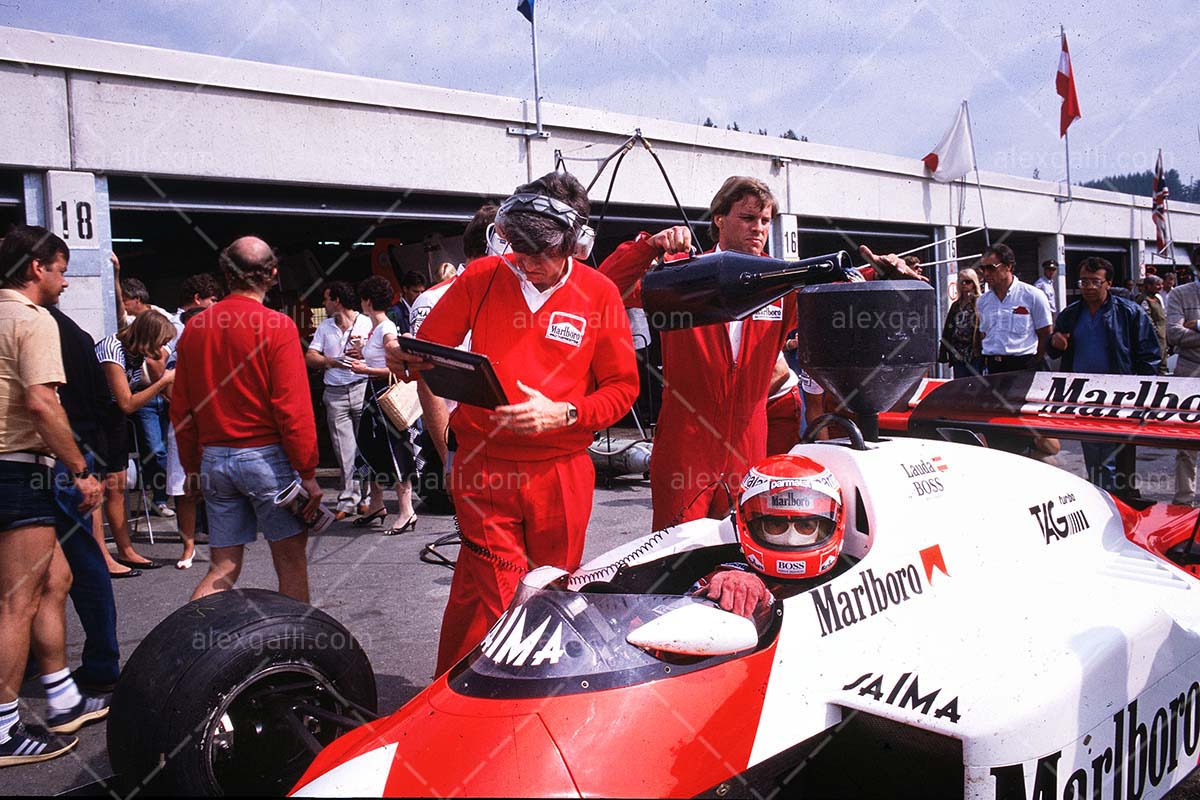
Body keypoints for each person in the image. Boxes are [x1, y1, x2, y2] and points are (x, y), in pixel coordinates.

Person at [397, 172, 640, 674]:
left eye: (540, 251)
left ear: (576, 242)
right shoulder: (482, 277)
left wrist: (567, 412)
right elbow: (429, 350)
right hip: (485, 468)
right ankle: (489, 701)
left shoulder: (599, 294)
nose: (526, 262)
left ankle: (469, 688)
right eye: (518, 247)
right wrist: (401, 354)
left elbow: (623, 389)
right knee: (506, 597)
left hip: (562, 472)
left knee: (552, 589)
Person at [598, 175, 922, 530]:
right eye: (748, 218)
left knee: (746, 548)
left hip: (749, 444)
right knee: (677, 546)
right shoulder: (681, 276)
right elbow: (605, 287)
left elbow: (833, 290)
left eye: (765, 221)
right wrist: (648, 246)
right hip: (686, 445)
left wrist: (878, 275)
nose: (759, 228)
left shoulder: (782, 281)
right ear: (719, 219)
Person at [0, 226, 105, 766]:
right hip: (17, 471)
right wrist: (80, 469)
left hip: (12, 471)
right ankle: (2, 728)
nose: (65, 282)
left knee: (56, 578)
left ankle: (63, 697)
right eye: (61, 270)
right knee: (16, 601)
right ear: (36, 267)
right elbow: (42, 404)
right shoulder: (33, 318)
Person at [171, 236, 322, 603]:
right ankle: (293, 639)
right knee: (291, 563)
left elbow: (183, 409)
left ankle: (192, 634)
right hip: (266, 460)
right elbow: (292, 408)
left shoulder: (194, 329)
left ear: (226, 273)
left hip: (214, 459)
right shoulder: (277, 326)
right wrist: (307, 471)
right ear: (273, 274)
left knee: (223, 567)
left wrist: (191, 468)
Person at [46, 300, 122, 694]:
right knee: (70, 563)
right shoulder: (75, 333)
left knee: (72, 563)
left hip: (56, 459)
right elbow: (102, 402)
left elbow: (45, 403)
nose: (66, 282)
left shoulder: (42, 327)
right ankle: (97, 663)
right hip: (70, 457)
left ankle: (95, 664)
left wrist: (80, 469)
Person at [1047, 257, 1160, 492]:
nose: (1088, 287)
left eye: (1095, 282)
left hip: (1119, 394)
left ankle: (1118, 498)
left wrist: (1143, 394)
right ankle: (1100, 494)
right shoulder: (1071, 313)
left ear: (1109, 283)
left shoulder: (1129, 312)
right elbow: (1055, 349)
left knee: (1116, 455)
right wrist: (1054, 343)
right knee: (1092, 451)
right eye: (1084, 282)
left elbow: (1149, 355)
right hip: (1082, 394)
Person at [692, 453, 846, 619]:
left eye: (805, 526)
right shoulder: (728, 581)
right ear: (752, 524)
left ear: (829, 526)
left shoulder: (854, 580)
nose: (791, 539)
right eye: (776, 524)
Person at [411, 205, 496, 474]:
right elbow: (427, 382)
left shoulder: (509, 295)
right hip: (457, 439)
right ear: (495, 243)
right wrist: (449, 460)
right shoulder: (434, 298)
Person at [94, 311, 177, 574]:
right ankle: (101, 556)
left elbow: (148, 388)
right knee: (97, 489)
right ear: (147, 337)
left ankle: (125, 550)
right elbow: (127, 403)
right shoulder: (113, 349)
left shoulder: (137, 353)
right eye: (161, 342)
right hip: (96, 419)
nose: (162, 348)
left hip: (115, 421)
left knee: (117, 487)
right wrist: (163, 382)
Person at [344, 275, 417, 535]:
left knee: (395, 450)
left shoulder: (386, 329)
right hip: (372, 396)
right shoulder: (377, 328)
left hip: (384, 397)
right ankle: (376, 504)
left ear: (367, 301)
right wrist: (362, 355)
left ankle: (407, 510)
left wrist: (365, 369)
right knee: (369, 447)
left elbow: (396, 368)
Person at [305, 281, 372, 520]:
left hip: (362, 386)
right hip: (335, 392)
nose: (324, 304)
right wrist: (330, 362)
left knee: (365, 446)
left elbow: (383, 353)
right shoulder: (325, 327)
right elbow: (310, 356)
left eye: (326, 299)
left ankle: (366, 497)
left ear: (337, 301)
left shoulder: (366, 323)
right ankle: (348, 498)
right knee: (343, 449)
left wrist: (364, 353)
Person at [977, 244, 1053, 374]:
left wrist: (1037, 360)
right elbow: (984, 333)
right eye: (983, 269)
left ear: (1008, 266)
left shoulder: (1032, 295)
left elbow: (1045, 332)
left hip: (1023, 364)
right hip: (993, 366)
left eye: (991, 268)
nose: (986, 273)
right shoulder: (983, 301)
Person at [1167, 270, 1200, 505]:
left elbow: (1183, 334)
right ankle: (1184, 502)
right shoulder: (1180, 294)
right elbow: (1173, 333)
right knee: (1186, 444)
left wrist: (1196, 325)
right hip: (1189, 375)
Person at [938, 268, 983, 378]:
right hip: (957, 351)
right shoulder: (956, 305)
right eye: (961, 281)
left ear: (974, 283)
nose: (964, 284)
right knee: (960, 382)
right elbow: (948, 328)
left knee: (976, 382)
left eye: (967, 281)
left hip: (974, 351)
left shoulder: (980, 302)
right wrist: (944, 351)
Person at [1135, 274, 1169, 375]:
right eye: (1157, 285)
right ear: (1149, 286)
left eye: (1161, 284)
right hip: (1153, 338)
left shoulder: (1156, 299)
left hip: (1162, 336)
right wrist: (1155, 333)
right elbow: (1147, 319)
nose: (1161, 287)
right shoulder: (1144, 300)